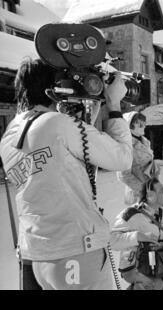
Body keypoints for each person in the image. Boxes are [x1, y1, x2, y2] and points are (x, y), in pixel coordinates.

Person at [0, 58, 132, 290]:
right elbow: (122, 157)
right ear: (53, 89)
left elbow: (60, 162)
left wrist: (83, 119)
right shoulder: (58, 124)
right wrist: (113, 104)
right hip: (76, 253)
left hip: (35, 257)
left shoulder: (9, 135)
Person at [117, 111, 160, 206]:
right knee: (140, 219)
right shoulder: (127, 145)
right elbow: (123, 175)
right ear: (130, 126)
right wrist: (143, 189)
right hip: (137, 195)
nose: (144, 127)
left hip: (150, 190)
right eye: (140, 125)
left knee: (154, 218)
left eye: (144, 124)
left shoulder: (145, 142)